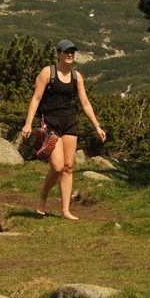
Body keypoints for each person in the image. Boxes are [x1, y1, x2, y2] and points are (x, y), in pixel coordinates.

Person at [17, 39, 108, 220]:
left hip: (69, 122)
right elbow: (36, 98)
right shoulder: (47, 73)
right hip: (50, 121)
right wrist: (28, 123)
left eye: (72, 52)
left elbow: (85, 103)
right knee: (57, 167)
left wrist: (97, 126)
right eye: (66, 51)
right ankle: (43, 197)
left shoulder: (76, 77)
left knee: (68, 167)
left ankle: (65, 211)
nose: (69, 55)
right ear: (58, 53)